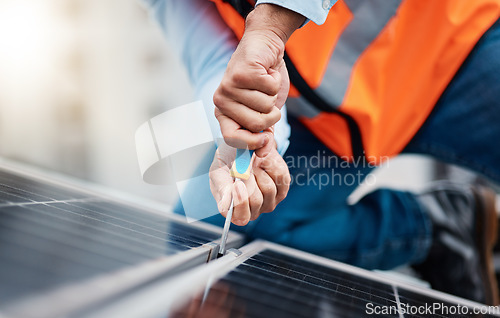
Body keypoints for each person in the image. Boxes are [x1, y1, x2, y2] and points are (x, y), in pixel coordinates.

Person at [142, 0, 500, 304]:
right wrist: (255, 132)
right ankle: (437, 228)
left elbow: (263, 35)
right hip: (333, 118)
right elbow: (213, 55)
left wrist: (270, 27)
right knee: (204, 235)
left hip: (454, 46)